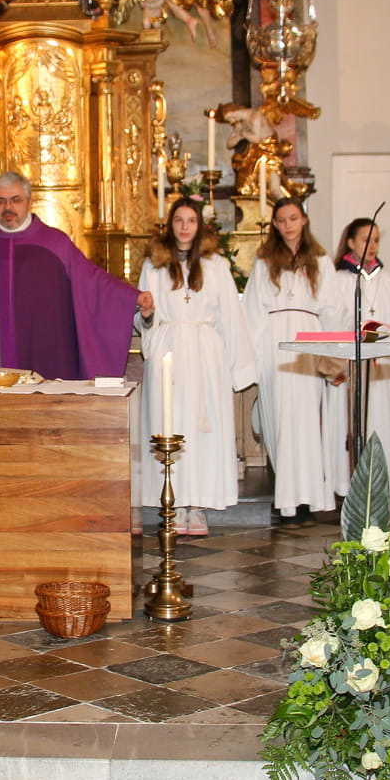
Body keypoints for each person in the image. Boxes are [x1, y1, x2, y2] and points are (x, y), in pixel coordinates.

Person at [0, 172, 149, 381]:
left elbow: (93, 283)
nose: (8, 208)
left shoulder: (55, 243)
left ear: (29, 202)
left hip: (47, 355)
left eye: (15, 200)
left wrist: (132, 298)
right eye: (0, 201)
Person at [137, 197, 255, 536]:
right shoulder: (155, 265)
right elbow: (144, 315)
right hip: (168, 351)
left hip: (205, 355)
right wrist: (146, 314)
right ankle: (173, 503)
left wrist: (238, 366)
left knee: (203, 430)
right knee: (169, 424)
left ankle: (198, 505)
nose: (185, 226)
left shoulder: (215, 265)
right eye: (179, 220)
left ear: (199, 225)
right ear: (170, 224)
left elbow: (231, 316)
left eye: (190, 220)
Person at [242, 197, 337, 523]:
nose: (288, 226)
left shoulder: (321, 261)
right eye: (281, 220)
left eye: (293, 218)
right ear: (275, 224)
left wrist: (332, 357)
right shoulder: (264, 261)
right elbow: (252, 310)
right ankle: (286, 500)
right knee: (278, 418)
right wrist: (253, 357)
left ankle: (310, 498)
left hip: (309, 339)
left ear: (304, 220)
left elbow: (332, 310)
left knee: (308, 421)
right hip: (274, 342)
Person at [323, 218, 390, 494]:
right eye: (365, 240)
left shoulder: (389, 282)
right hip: (349, 364)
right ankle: (346, 487)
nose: (372, 246)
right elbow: (329, 321)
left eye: (376, 240)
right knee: (348, 425)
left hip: (380, 367)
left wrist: (384, 343)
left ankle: (380, 488)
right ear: (350, 242)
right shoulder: (337, 280)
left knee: (381, 423)